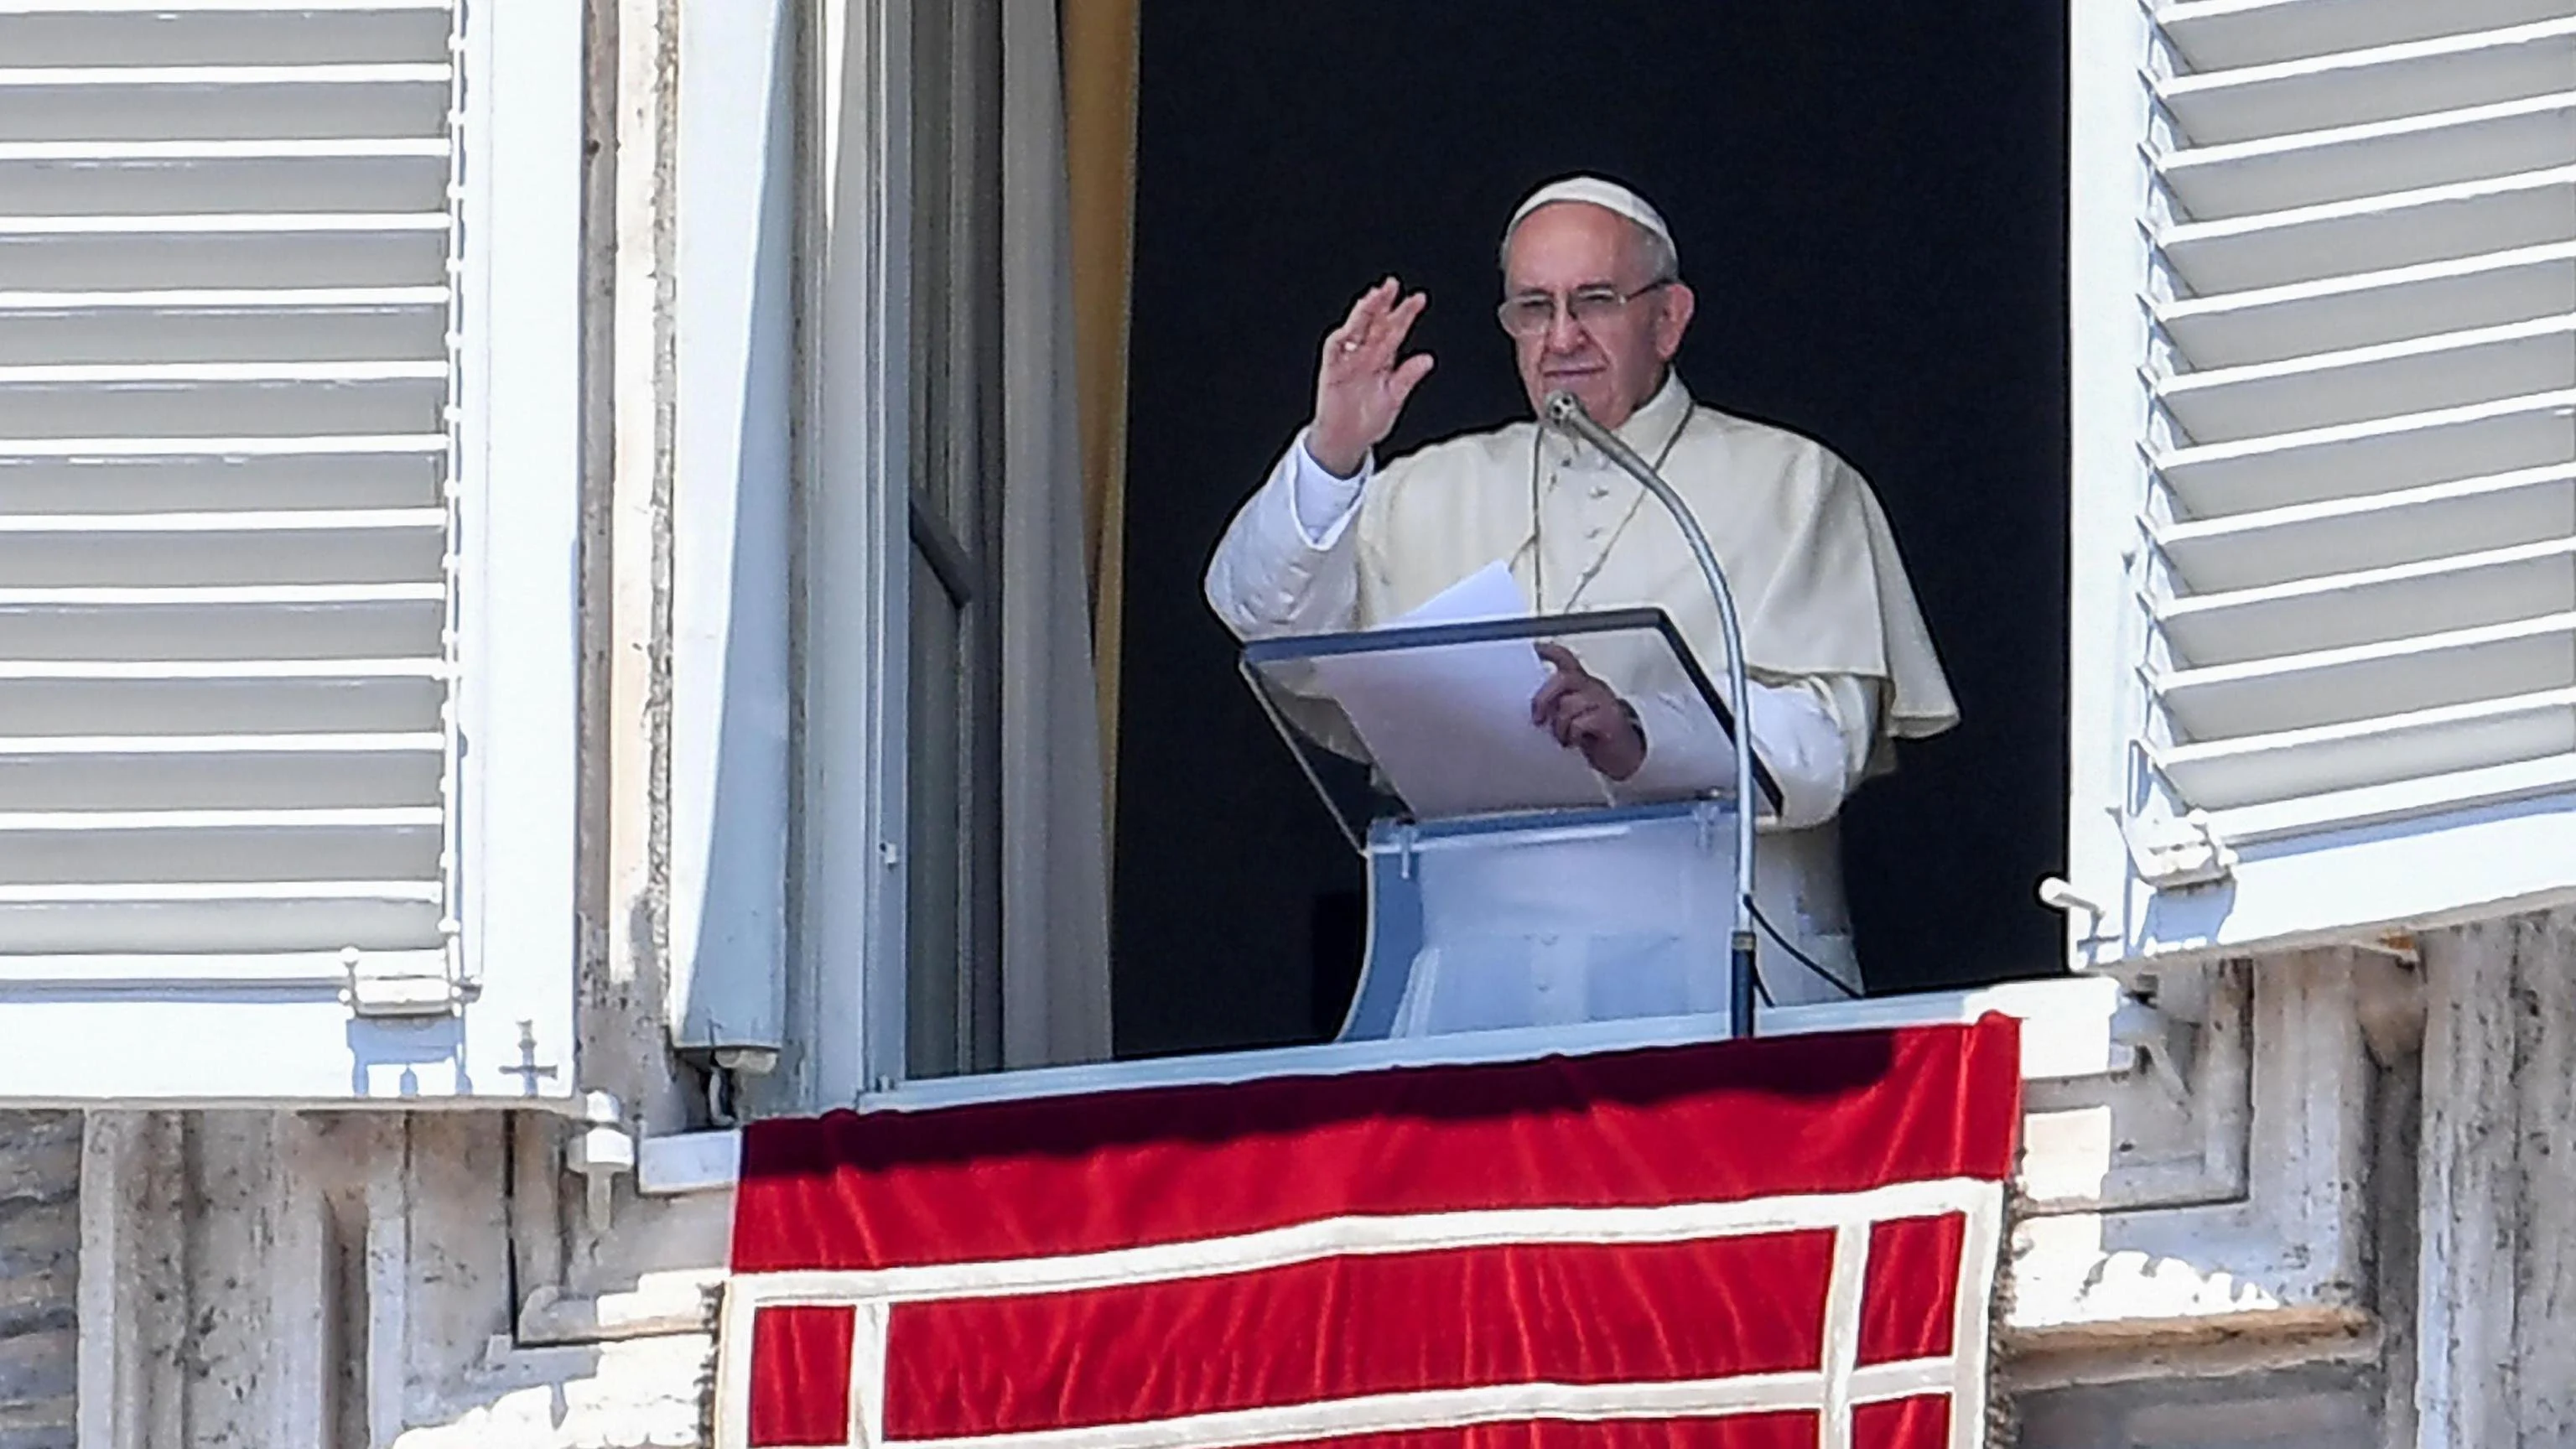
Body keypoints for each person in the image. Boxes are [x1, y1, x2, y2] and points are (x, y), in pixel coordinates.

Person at [1204, 174, 1955, 1026]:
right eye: (1532, 308)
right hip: (1473, 999)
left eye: (1593, 300)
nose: (1561, 336)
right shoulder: (1428, 489)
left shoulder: (1793, 482)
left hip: (1711, 986)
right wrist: (1333, 451)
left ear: (1668, 319)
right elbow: (1265, 621)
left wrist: (1645, 733)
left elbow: (1827, 746)